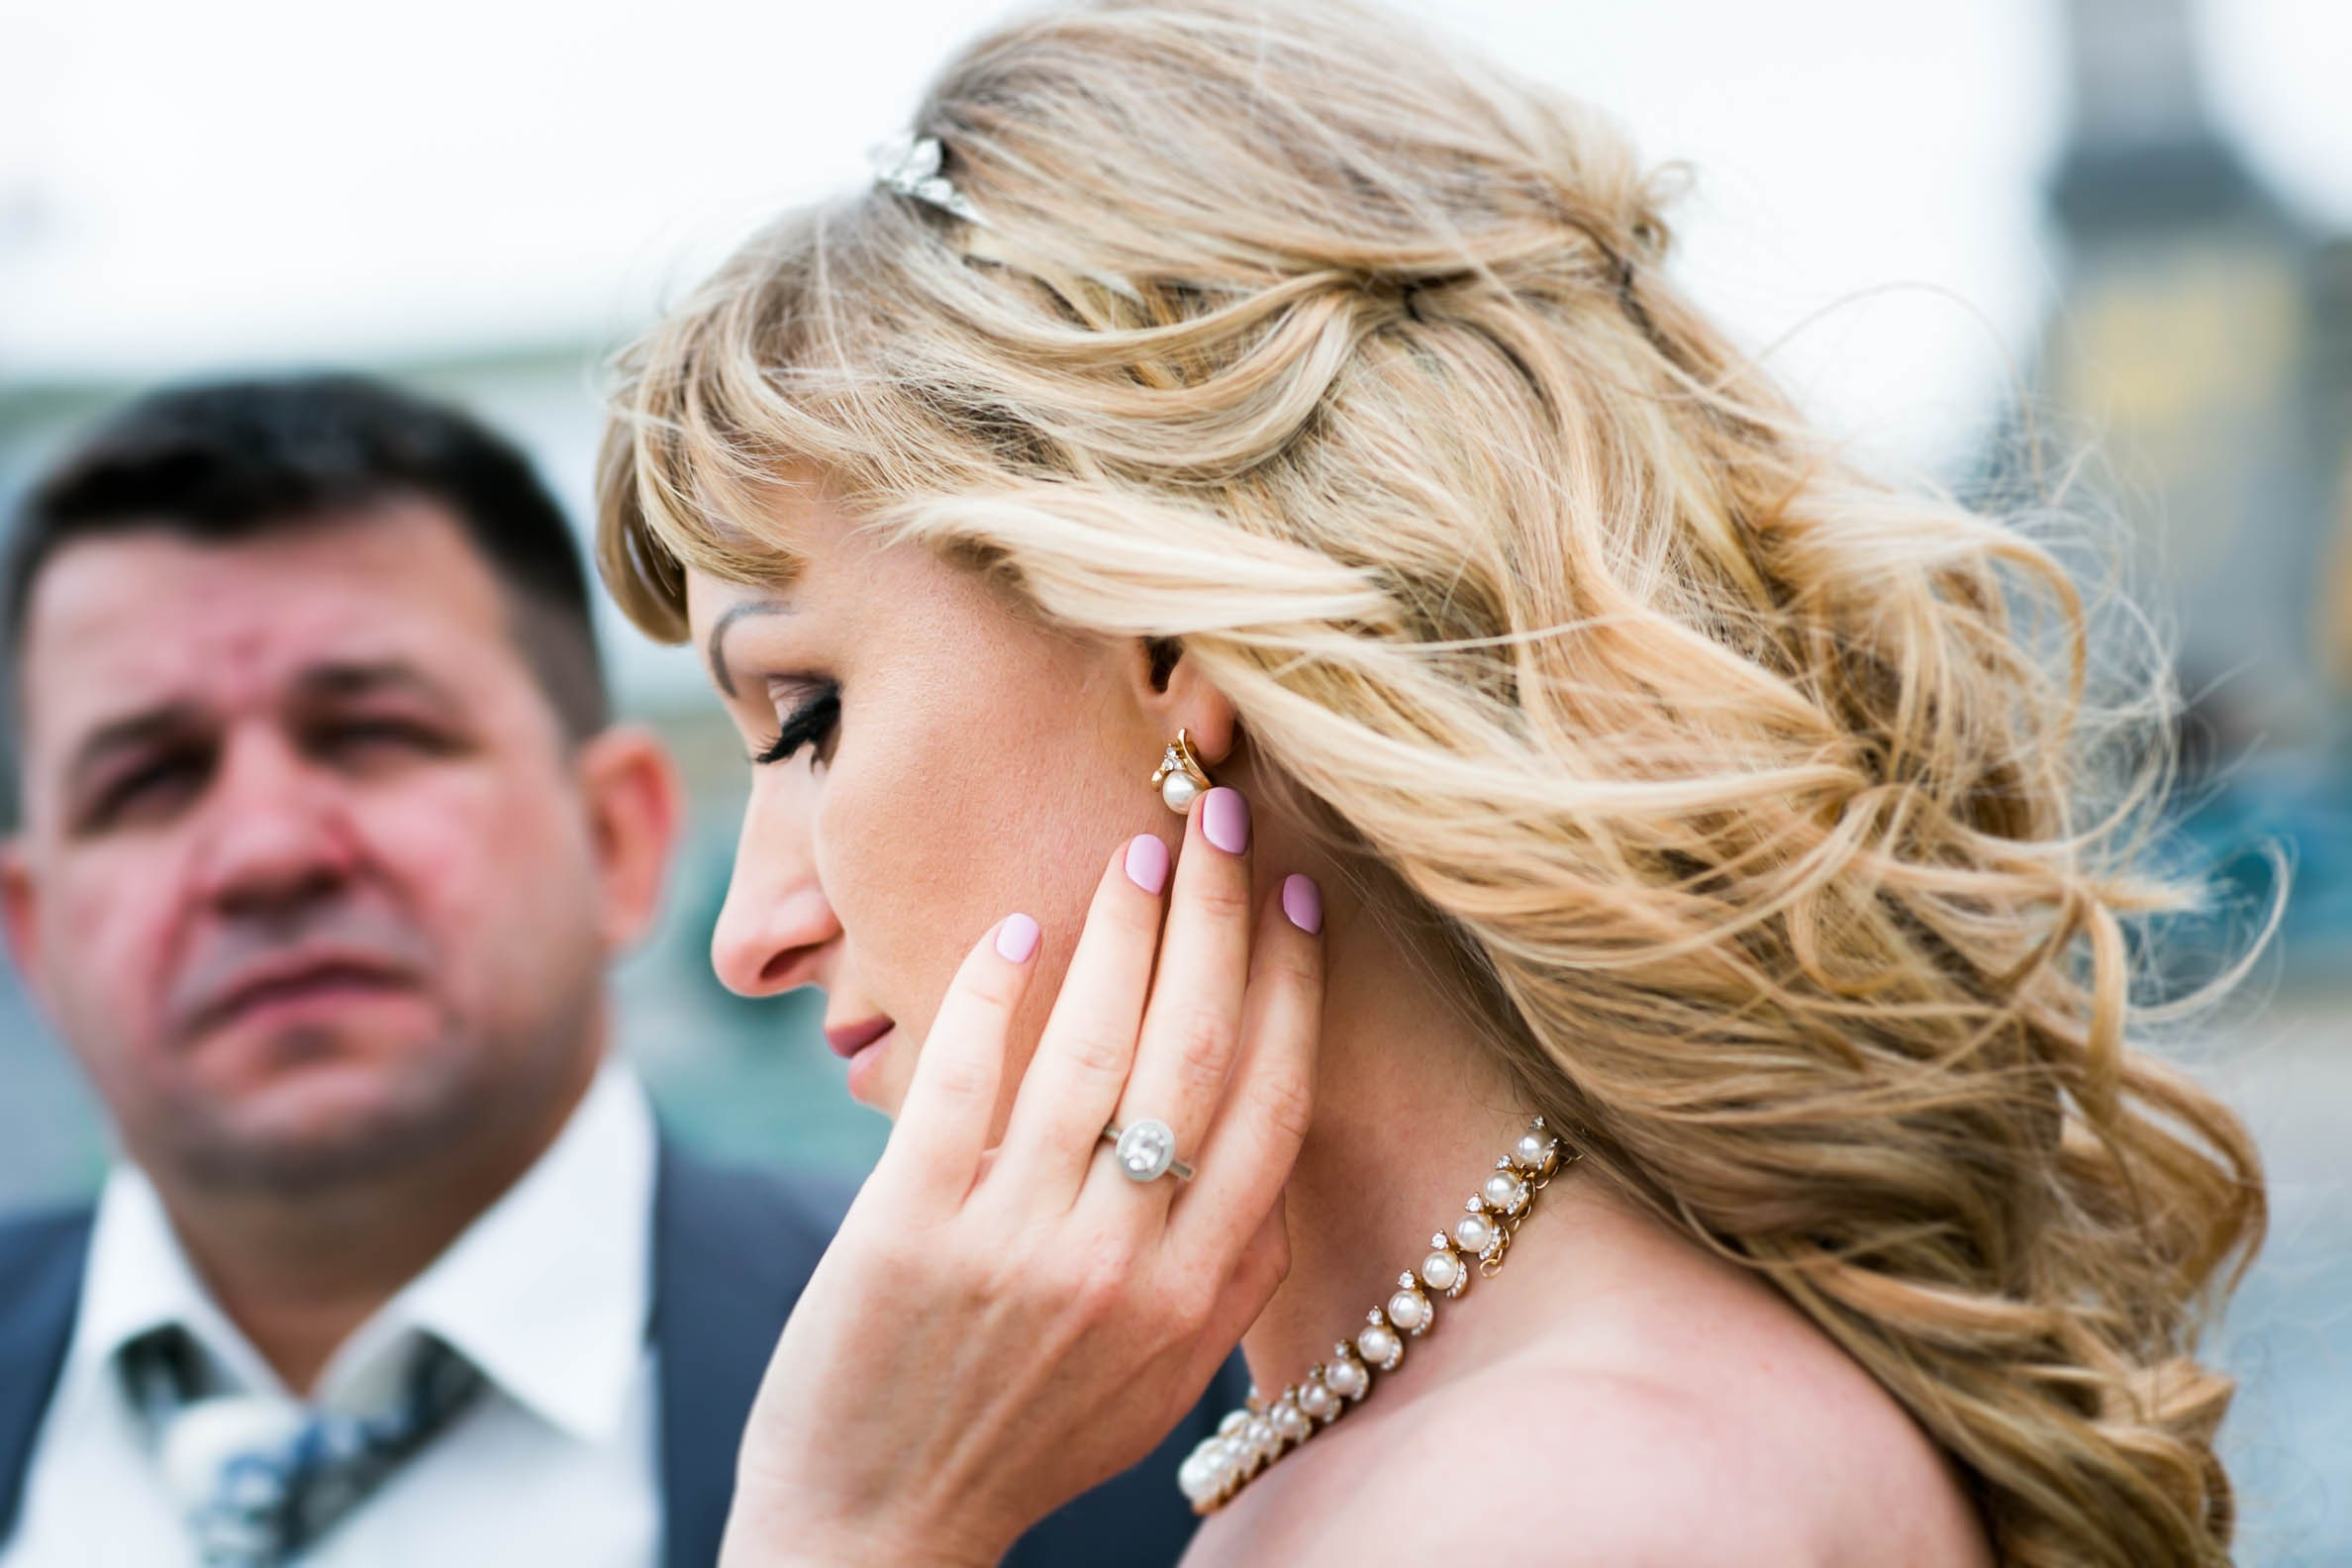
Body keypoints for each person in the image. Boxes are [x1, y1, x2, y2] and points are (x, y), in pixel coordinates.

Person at [594, 1, 2271, 1564]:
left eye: (805, 712)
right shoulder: (1482, 1429)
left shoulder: (1546, 1498)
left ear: (1171, 640)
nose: (754, 932)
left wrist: (839, 1521)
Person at [0, 373, 1233, 1568]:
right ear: (30, 928)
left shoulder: (1134, 1406)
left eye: (373, 735)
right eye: (146, 781)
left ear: (620, 838)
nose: (267, 855)